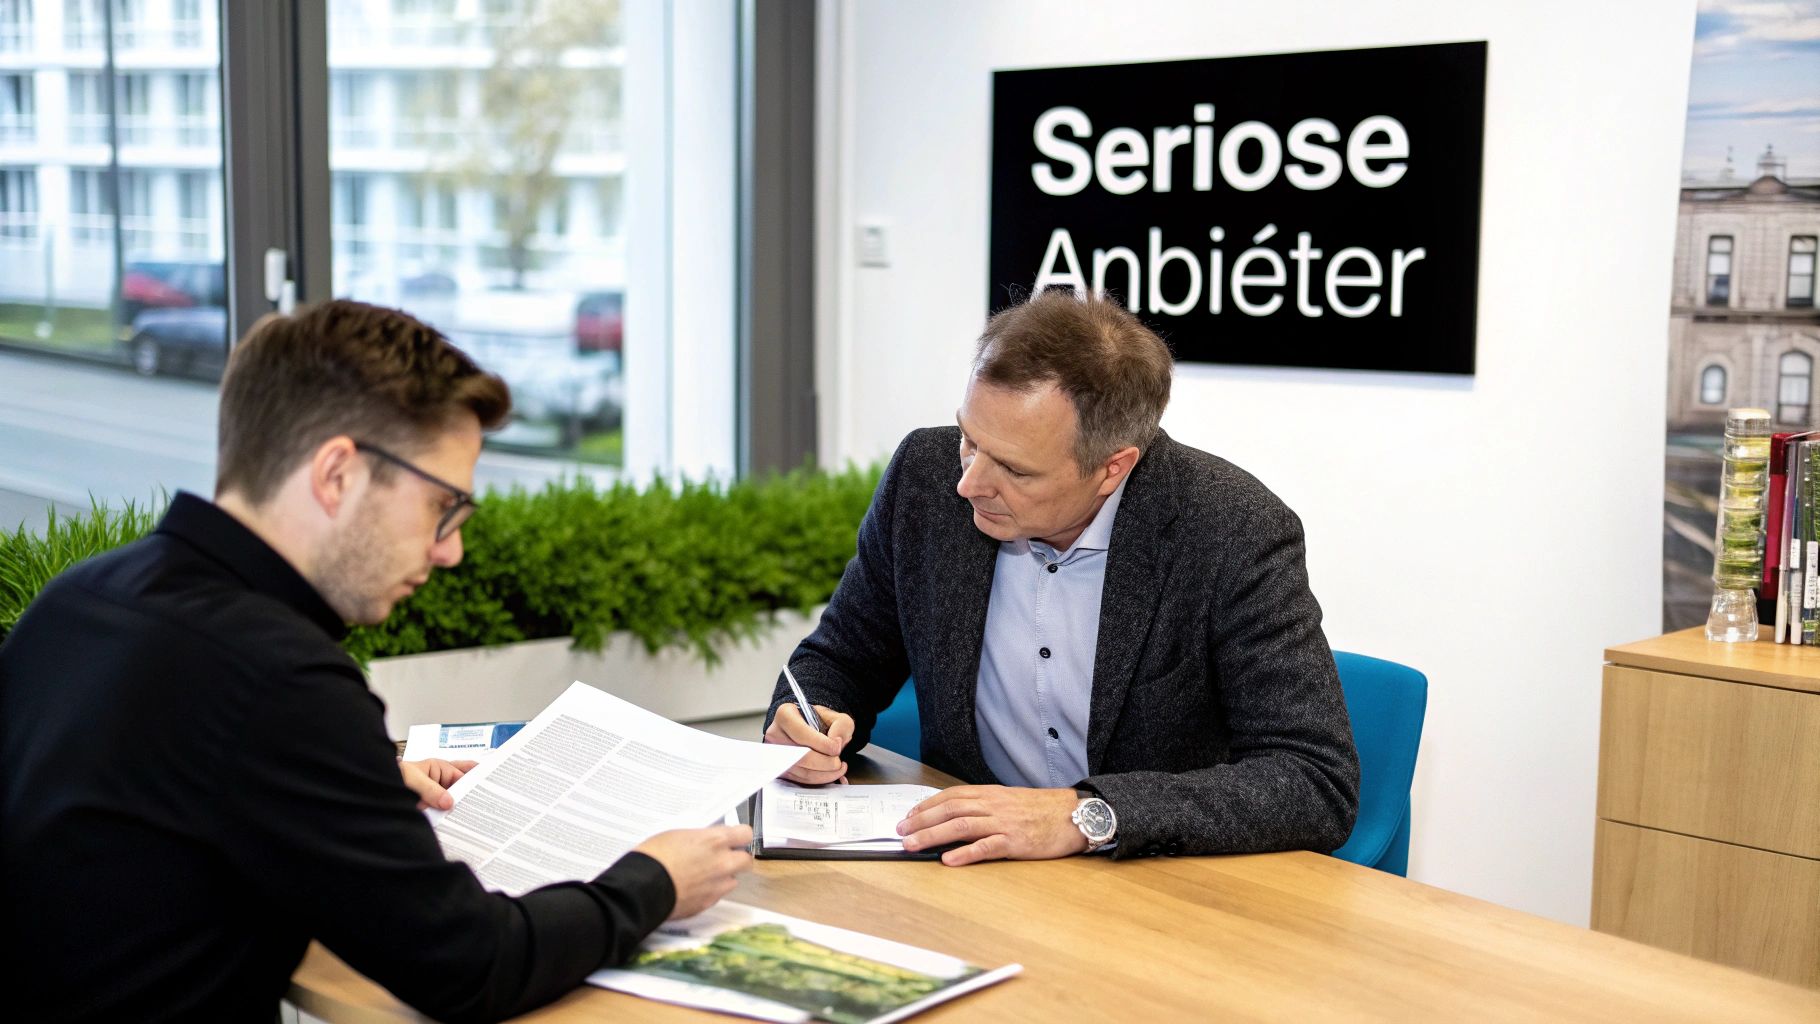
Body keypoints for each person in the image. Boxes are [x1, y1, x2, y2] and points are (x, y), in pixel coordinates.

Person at [0, 300, 752, 1022]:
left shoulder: (80, 602)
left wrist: (344, 780)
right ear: (337, 475)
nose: (449, 549)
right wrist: (653, 881)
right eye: (441, 507)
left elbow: (152, 794)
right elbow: (469, 966)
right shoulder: (279, 678)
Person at [764, 289, 1359, 866]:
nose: (968, 483)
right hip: (972, 872)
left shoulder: (1230, 531)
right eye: (970, 440)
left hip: (1155, 883)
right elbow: (841, 659)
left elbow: (1312, 779)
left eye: (1015, 470)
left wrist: (1084, 815)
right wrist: (807, 721)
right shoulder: (923, 478)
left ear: (1112, 468)